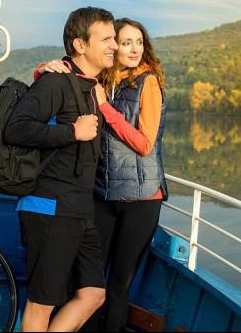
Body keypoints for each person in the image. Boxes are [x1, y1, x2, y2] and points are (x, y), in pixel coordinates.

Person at [37, 17, 167, 332]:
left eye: (139, 41)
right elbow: (64, 79)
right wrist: (43, 70)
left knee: (118, 285)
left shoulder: (147, 82)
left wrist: (106, 108)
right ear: (112, 47)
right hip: (102, 195)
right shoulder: (101, 80)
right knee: (88, 283)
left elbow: (144, 144)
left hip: (141, 199)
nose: (134, 49)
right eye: (125, 42)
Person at [4, 7, 119, 332]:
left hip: (80, 210)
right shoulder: (54, 83)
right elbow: (16, 128)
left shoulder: (88, 86)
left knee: (94, 294)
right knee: (41, 305)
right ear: (80, 45)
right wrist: (72, 132)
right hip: (50, 207)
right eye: (107, 38)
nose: (114, 45)